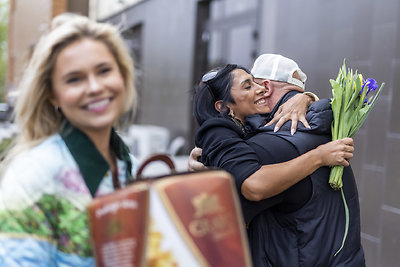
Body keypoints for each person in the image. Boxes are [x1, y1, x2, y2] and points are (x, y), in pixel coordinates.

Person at [193, 55, 364, 266]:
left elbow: (250, 189)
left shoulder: (272, 141)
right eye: (249, 86)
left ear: (268, 85)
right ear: (223, 106)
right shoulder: (322, 130)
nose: (260, 89)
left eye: (256, 82)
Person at [0, 14, 138, 266]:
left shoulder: (129, 163)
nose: (95, 87)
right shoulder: (33, 175)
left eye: (104, 70)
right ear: (53, 95)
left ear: (123, 75)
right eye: (75, 79)